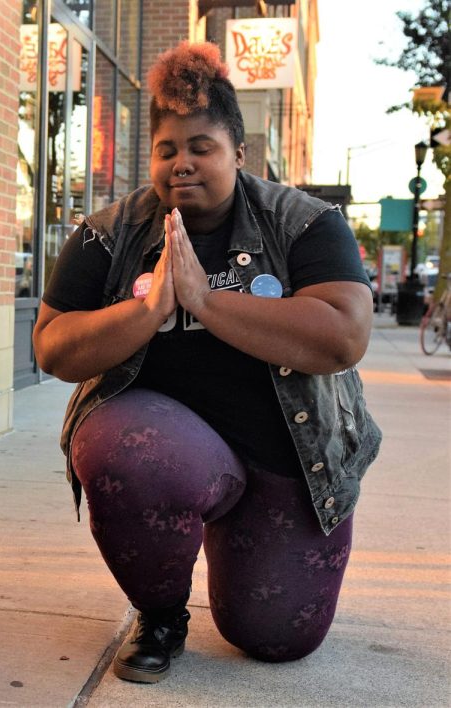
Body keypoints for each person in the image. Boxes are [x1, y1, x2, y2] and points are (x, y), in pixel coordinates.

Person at [33, 42, 381, 684]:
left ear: (239, 154)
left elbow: (342, 337)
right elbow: (52, 347)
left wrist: (202, 299)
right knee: (124, 454)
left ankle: (237, 535)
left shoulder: (304, 223)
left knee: (276, 639)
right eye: (167, 149)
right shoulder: (109, 235)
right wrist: (146, 311)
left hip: (287, 459)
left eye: (202, 147)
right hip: (169, 447)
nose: (182, 164)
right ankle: (161, 612)